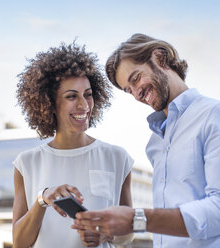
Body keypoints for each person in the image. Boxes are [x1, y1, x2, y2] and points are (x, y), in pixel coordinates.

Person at [73, 33, 220, 248]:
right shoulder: (156, 143)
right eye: (128, 90)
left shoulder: (216, 115)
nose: (136, 94)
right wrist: (110, 232)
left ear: (160, 58)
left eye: (136, 78)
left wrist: (135, 220)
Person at [12, 42, 135, 248]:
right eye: (71, 96)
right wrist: (43, 199)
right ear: (49, 103)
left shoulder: (117, 157)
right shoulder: (26, 163)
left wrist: (105, 236)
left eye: (87, 94)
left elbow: (129, 231)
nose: (84, 105)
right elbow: (19, 243)